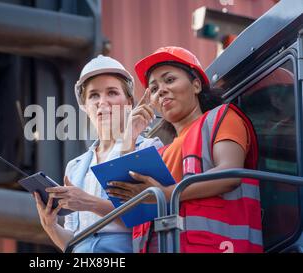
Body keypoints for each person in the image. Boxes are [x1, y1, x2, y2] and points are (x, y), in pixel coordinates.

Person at [106, 46, 263, 253]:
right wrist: (130, 136)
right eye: (153, 89)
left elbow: (229, 174)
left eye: (169, 80)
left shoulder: (221, 118)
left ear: (196, 85)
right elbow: (130, 201)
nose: (160, 90)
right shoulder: (159, 154)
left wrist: (166, 193)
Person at [33, 55, 163, 253]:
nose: (103, 102)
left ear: (129, 101)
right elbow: (74, 242)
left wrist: (89, 203)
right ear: (84, 106)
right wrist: (50, 226)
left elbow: (148, 219)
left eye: (112, 92)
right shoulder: (75, 166)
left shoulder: (146, 148)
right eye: (94, 95)